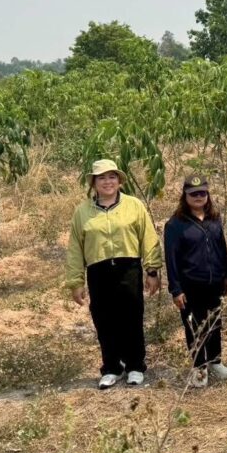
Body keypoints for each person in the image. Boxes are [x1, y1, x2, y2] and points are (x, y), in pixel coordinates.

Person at [66, 159, 163, 389]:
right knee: (104, 319)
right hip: (98, 271)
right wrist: (76, 281)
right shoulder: (82, 212)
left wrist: (152, 270)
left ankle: (135, 366)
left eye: (112, 177)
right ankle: (112, 367)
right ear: (93, 183)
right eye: (101, 178)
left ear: (119, 181)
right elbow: (75, 248)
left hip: (128, 268)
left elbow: (149, 239)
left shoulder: (134, 206)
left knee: (132, 317)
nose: (107, 182)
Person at [163, 175, 227, 389]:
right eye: (193, 194)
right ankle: (199, 367)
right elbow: (171, 259)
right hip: (190, 285)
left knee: (214, 324)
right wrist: (176, 289)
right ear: (185, 196)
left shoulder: (214, 219)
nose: (198, 197)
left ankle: (215, 362)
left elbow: (222, 248)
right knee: (194, 327)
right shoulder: (175, 225)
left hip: (215, 283)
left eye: (202, 193)